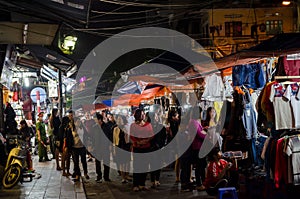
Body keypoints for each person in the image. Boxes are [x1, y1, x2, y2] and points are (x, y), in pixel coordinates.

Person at [130, 109, 154, 192]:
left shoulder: (148, 124)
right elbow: (131, 136)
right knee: (137, 166)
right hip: (137, 148)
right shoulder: (133, 125)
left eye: (144, 114)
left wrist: (145, 141)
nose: (143, 115)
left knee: (144, 166)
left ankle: (142, 184)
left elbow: (151, 135)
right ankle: (135, 184)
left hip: (146, 148)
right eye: (142, 114)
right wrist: (138, 142)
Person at [186, 106, 207, 191]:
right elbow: (199, 134)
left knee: (201, 166)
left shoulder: (195, 122)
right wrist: (206, 135)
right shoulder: (193, 122)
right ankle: (199, 184)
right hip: (197, 146)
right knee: (199, 166)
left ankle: (201, 182)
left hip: (199, 146)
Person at [113, 114, 131, 183]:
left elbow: (128, 138)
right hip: (119, 147)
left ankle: (127, 175)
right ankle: (123, 177)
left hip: (126, 146)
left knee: (127, 162)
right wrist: (114, 149)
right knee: (121, 163)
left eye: (120, 119)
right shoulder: (115, 129)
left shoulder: (126, 127)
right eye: (118, 119)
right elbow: (114, 140)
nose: (119, 120)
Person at [94, 113, 111, 182]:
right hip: (97, 147)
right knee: (97, 163)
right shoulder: (94, 127)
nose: (94, 120)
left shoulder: (107, 126)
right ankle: (99, 176)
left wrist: (110, 145)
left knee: (106, 162)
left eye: (95, 119)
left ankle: (106, 177)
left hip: (105, 147)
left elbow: (110, 137)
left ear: (99, 120)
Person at [72, 117, 89, 181]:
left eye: (79, 121)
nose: (78, 122)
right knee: (76, 162)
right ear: (74, 122)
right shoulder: (72, 129)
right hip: (75, 147)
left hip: (82, 147)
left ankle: (85, 173)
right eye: (77, 121)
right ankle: (77, 175)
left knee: (84, 161)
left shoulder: (83, 128)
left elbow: (87, 135)